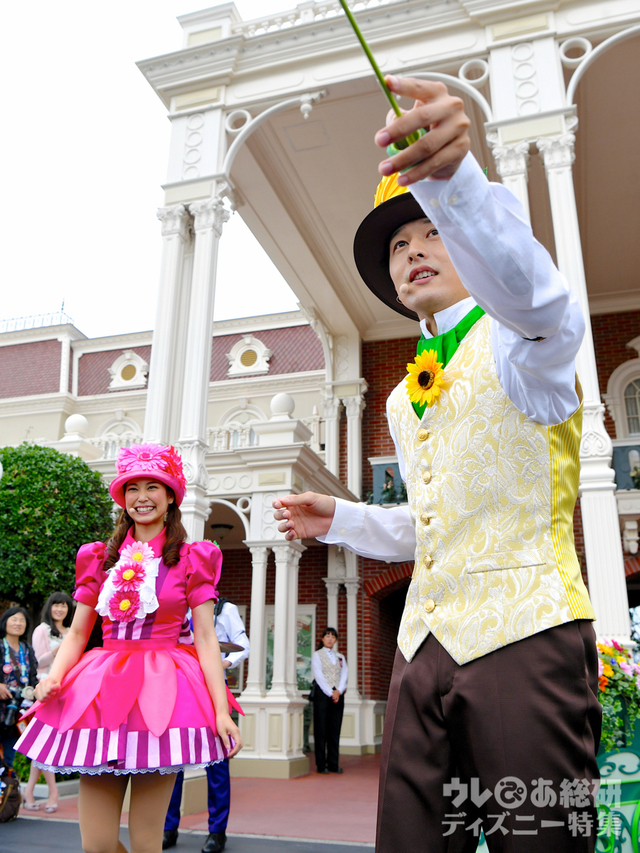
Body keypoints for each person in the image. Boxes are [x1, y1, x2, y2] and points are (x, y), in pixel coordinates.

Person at [274, 76, 601, 852]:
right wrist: (348, 519)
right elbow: (435, 524)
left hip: (527, 637)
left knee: (543, 839)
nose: (414, 251)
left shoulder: (525, 345)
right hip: (423, 655)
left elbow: (543, 301)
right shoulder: (398, 398)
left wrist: (458, 184)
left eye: (432, 234)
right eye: (398, 244)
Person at [16, 443, 242, 853]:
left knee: (144, 842)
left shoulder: (193, 559)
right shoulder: (99, 558)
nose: (141, 497)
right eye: (132, 488)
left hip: (164, 691)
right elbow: (79, 633)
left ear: (171, 495)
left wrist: (222, 711)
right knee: (97, 845)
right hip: (100, 693)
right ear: (122, 498)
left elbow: (206, 639)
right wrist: (53, 678)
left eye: (153, 486)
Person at [163, 597, 250, 853]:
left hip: (212, 689)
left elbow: (242, 645)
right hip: (178, 683)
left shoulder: (225, 609)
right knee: (172, 758)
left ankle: (217, 832)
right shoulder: (176, 604)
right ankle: (168, 827)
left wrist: (222, 662)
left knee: (217, 761)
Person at [22, 591, 74, 812]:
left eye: (63, 606)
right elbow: (37, 660)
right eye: (56, 605)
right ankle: (53, 793)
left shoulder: (72, 630)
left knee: (41, 744)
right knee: (45, 741)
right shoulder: (41, 630)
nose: (60, 609)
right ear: (49, 608)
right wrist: (58, 651)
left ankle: (29, 790)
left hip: (67, 689)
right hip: (45, 689)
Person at [0, 607, 37, 769]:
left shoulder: (27, 649)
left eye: (22, 620)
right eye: (14, 619)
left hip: (17, 713)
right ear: (5, 622)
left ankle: (6, 792)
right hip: (0, 708)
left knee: (9, 759)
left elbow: (33, 678)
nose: (18, 623)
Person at [311, 627, 347, 775]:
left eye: (333, 636)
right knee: (321, 730)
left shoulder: (340, 657)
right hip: (322, 695)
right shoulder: (317, 655)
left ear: (336, 640)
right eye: (327, 636)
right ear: (322, 639)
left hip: (338, 695)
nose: (330, 639)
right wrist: (330, 692)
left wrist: (339, 690)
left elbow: (345, 674)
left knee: (334, 730)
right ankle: (321, 764)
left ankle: (333, 763)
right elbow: (318, 676)